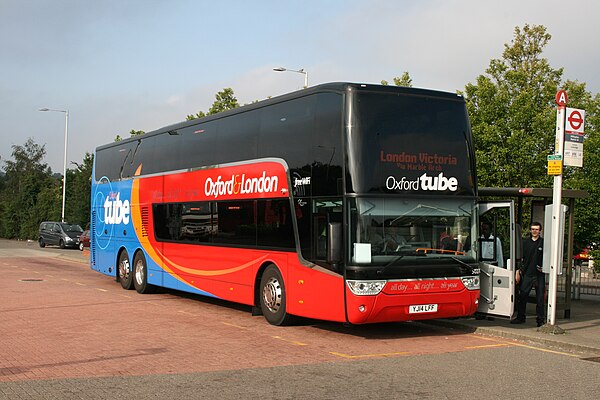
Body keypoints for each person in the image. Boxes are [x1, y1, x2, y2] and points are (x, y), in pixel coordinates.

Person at [511, 222, 545, 327]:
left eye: (537, 229)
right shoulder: (525, 243)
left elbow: (547, 257)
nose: (534, 231)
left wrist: (545, 267)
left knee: (540, 298)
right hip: (527, 274)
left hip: (539, 275)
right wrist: (518, 271)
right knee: (523, 296)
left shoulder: (543, 243)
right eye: (533, 229)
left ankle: (540, 320)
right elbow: (520, 258)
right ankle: (521, 317)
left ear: (540, 231)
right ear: (530, 230)